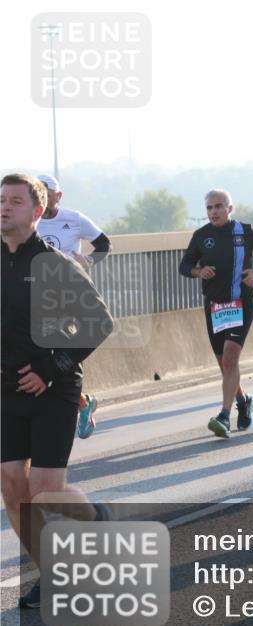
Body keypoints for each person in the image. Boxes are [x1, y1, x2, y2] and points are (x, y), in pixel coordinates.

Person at [2, 173, 114, 609]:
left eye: (14, 201)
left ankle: (95, 519)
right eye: (0, 200)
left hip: (55, 388)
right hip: (5, 389)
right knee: (13, 489)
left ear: (35, 212)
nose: (4, 207)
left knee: (45, 492)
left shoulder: (54, 263)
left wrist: (50, 368)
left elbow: (98, 323)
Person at [179, 189, 253, 437]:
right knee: (225, 364)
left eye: (219, 207)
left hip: (241, 303)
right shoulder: (201, 236)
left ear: (229, 208)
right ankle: (244, 401)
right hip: (214, 306)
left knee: (231, 358)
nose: (214, 212)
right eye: (209, 208)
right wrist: (199, 271)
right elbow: (184, 265)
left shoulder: (244, 231)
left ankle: (224, 414)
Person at [36, 174, 112, 440]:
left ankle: (72, 401)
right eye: (39, 193)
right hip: (36, 295)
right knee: (44, 352)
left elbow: (104, 243)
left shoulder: (74, 218)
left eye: (48, 193)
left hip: (69, 294)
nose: (44, 199)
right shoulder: (27, 222)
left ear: (59, 196)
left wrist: (88, 261)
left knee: (55, 347)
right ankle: (81, 401)